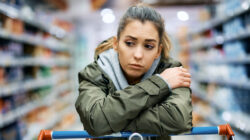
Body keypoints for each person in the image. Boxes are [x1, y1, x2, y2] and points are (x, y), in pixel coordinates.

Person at [75, 3, 192, 140]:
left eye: (148, 46)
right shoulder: (95, 73)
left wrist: (111, 120)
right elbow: (95, 120)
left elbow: (179, 119)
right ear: (116, 44)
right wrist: (160, 83)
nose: (138, 55)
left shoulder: (172, 71)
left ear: (158, 51)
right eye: (130, 43)